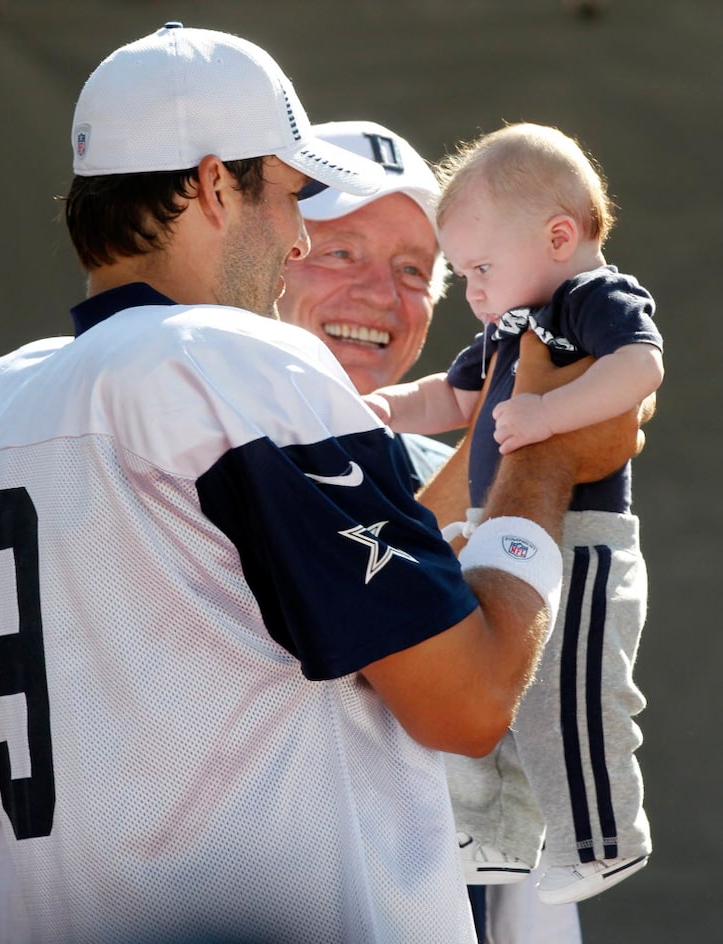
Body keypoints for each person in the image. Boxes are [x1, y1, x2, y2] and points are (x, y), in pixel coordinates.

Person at [0, 19, 644, 939]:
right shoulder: (233, 361)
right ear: (215, 183)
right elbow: (468, 701)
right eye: (295, 198)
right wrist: (546, 454)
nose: (299, 240)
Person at [279, 118, 583, 944]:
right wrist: (516, 448)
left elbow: (523, 780)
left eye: (415, 270)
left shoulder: (481, 470)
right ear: (266, 256)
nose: (381, 294)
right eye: (340, 251)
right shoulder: (184, 448)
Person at [364, 121, 663, 906]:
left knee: (576, 691)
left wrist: (550, 415)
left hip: (584, 538)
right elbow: (451, 397)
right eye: (463, 274)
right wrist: (385, 406)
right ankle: (497, 837)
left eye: (480, 268)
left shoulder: (594, 297)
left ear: (559, 236)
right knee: (512, 689)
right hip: (507, 535)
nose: (473, 291)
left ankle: (604, 843)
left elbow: (642, 367)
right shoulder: (510, 326)